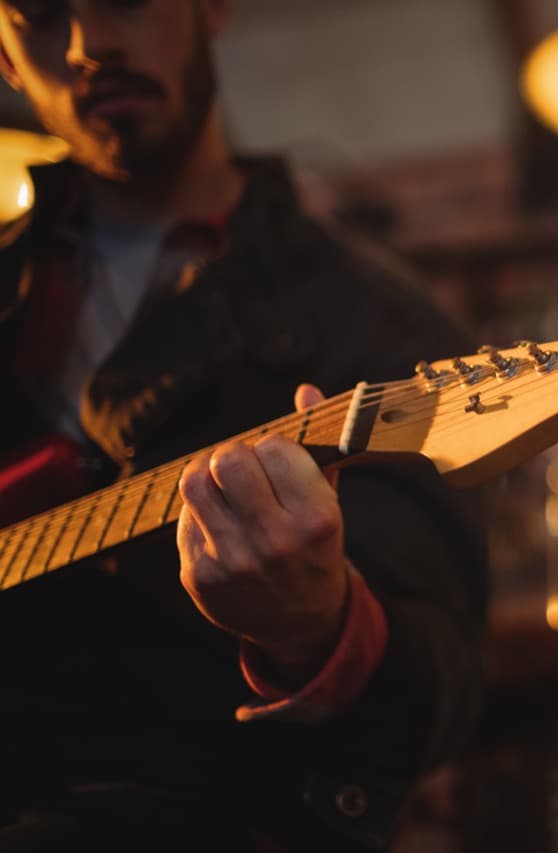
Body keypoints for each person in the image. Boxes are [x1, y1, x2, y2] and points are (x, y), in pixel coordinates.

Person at [0, 1, 487, 850]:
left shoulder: (383, 329)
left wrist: (318, 627)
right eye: (38, 12)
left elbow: (441, 692)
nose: (89, 44)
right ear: (3, 57)